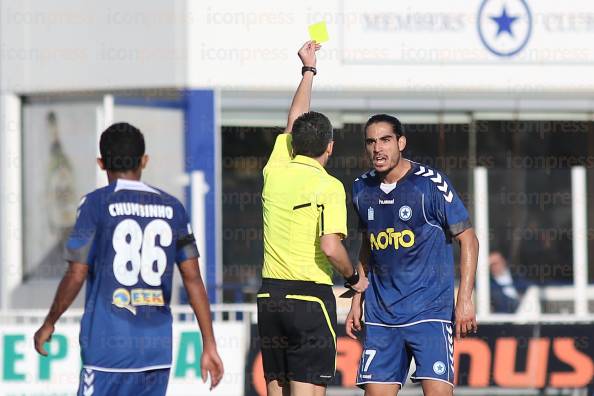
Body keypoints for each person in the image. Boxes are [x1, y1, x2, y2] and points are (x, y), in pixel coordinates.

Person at [33, 123, 224, 395]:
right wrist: (210, 344)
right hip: (156, 354)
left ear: (101, 163)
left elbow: (76, 274)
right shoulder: (173, 208)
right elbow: (193, 278)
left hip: (107, 351)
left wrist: (50, 321)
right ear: (144, 161)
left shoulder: (95, 204)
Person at [258, 41, 368, 396]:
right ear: (330, 147)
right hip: (309, 300)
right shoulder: (329, 186)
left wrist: (308, 71)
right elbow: (331, 246)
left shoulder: (275, 168)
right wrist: (354, 277)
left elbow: (293, 122)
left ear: (293, 144)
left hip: (269, 297)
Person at [346, 114, 479, 395]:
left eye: (385, 140)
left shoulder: (429, 184)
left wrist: (464, 299)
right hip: (381, 317)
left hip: (430, 314)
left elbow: (468, 239)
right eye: (371, 142)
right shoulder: (361, 188)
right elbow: (368, 245)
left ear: (401, 142)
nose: (377, 149)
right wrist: (357, 298)